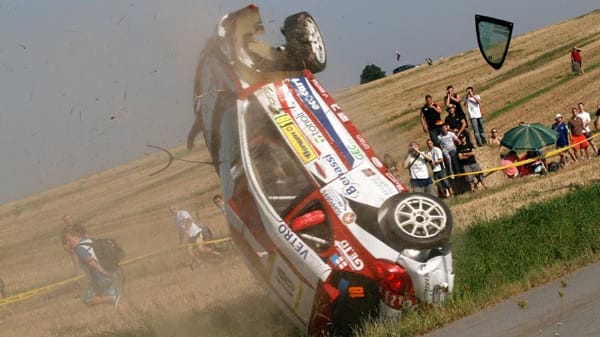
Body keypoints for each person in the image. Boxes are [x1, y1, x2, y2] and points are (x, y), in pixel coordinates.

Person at [61, 228, 124, 312]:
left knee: (88, 299)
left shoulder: (79, 249)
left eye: (69, 240)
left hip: (102, 277)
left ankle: (114, 299)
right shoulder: (88, 240)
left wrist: (102, 272)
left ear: (74, 236)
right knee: (117, 301)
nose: (68, 244)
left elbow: (91, 261)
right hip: (112, 271)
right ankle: (131, 318)